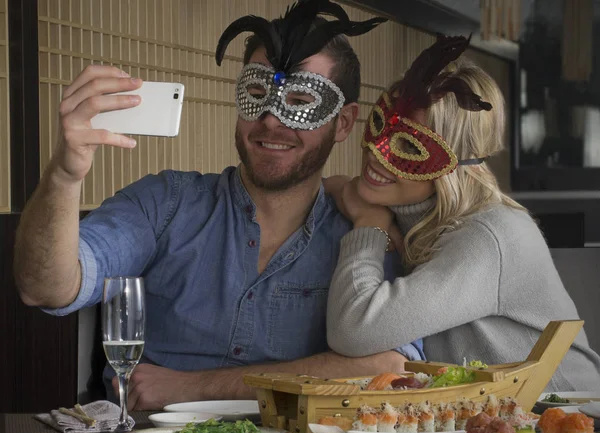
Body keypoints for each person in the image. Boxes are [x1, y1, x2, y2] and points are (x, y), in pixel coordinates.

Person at [14, 0, 425, 411]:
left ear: (345, 122)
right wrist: (64, 177)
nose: (270, 118)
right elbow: (45, 288)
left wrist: (195, 387)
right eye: (256, 93)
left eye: (300, 99)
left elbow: (392, 365)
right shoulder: (166, 203)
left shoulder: (365, 237)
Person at [325, 34, 600, 391]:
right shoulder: (419, 219)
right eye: (378, 125)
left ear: (456, 165)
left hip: (571, 427)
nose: (378, 154)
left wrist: (368, 225)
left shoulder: (490, 233)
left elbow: (353, 331)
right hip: (494, 428)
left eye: (408, 144)